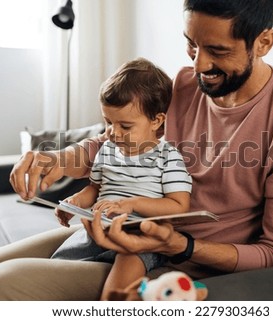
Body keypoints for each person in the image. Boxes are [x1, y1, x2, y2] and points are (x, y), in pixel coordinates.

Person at [0, 0, 273, 301]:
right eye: (191, 43)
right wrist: (59, 159)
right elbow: (116, 143)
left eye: (216, 50)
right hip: (119, 228)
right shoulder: (185, 84)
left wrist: (179, 245)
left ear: (264, 42)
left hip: (182, 260)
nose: (198, 64)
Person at [50, 57, 192, 300]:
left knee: (119, 286)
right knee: (54, 268)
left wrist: (132, 204)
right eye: (108, 122)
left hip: (140, 239)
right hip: (96, 231)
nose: (113, 133)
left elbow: (179, 205)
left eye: (125, 126)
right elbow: (95, 188)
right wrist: (75, 203)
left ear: (156, 121)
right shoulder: (107, 149)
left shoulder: (168, 156)